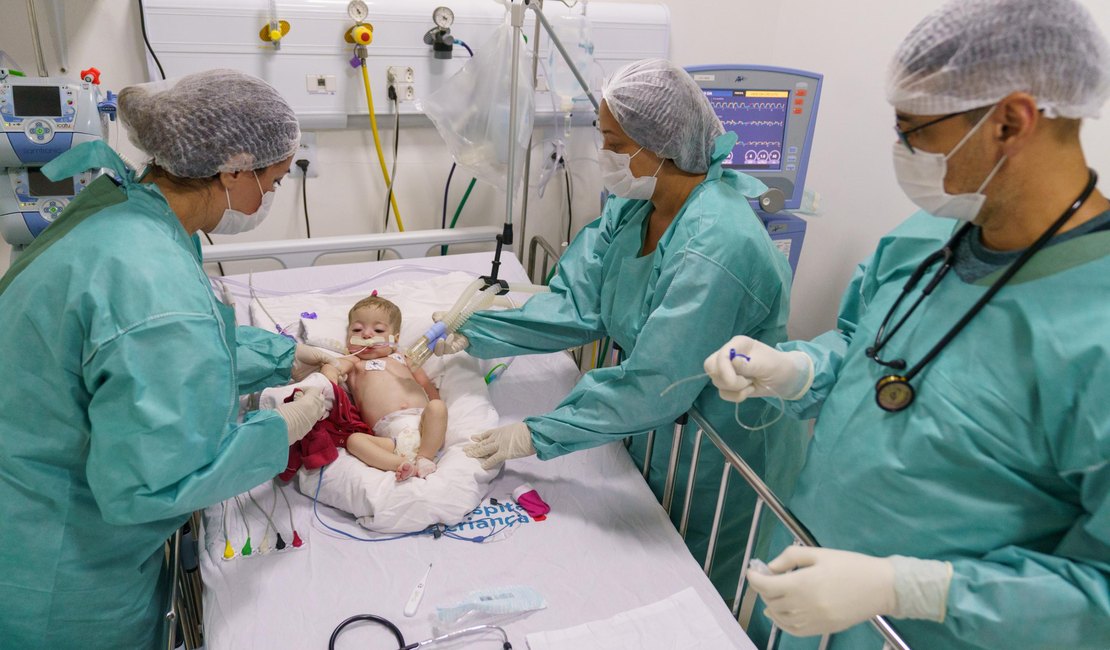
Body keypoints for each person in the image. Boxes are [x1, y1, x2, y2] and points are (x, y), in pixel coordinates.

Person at [704, 1, 1110, 647]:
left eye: (914, 128)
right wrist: (799, 368)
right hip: (809, 599)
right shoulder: (921, 241)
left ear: (1010, 120)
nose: (902, 148)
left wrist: (907, 589)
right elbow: (866, 347)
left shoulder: (1096, 328)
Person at [435, 58, 808, 600]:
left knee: (695, 594)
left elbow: (657, 380)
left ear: (660, 146)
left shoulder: (718, 246)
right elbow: (575, 306)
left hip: (722, 449)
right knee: (635, 565)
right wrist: (473, 330)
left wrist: (533, 434)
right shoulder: (638, 208)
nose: (605, 156)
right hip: (659, 428)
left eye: (613, 143)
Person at [0, 69, 338, 649]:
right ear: (233, 168)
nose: (270, 199)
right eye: (275, 182)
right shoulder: (151, 279)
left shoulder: (123, 210)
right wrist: (281, 426)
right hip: (58, 571)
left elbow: (160, 354)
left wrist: (285, 359)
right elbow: (160, 480)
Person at [320, 295, 447, 481]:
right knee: (354, 441)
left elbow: (426, 385)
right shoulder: (354, 363)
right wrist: (329, 374)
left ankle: (425, 458)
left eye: (378, 329)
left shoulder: (403, 359)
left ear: (395, 339)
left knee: (438, 407)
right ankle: (400, 465)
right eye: (357, 329)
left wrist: (437, 412)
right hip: (390, 438)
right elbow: (333, 365)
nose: (367, 335)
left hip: (423, 425)